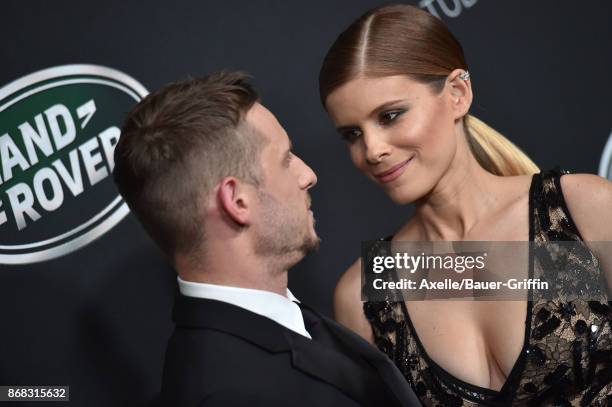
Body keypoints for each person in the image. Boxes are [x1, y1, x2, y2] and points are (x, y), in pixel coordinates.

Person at [319, 4, 612, 406]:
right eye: (352, 134)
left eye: (390, 115)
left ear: (458, 93)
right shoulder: (365, 293)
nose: (372, 149)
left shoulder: (583, 210)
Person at [112, 71, 421, 407]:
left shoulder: (274, 324)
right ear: (237, 201)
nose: (309, 175)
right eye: (286, 159)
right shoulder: (227, 393)